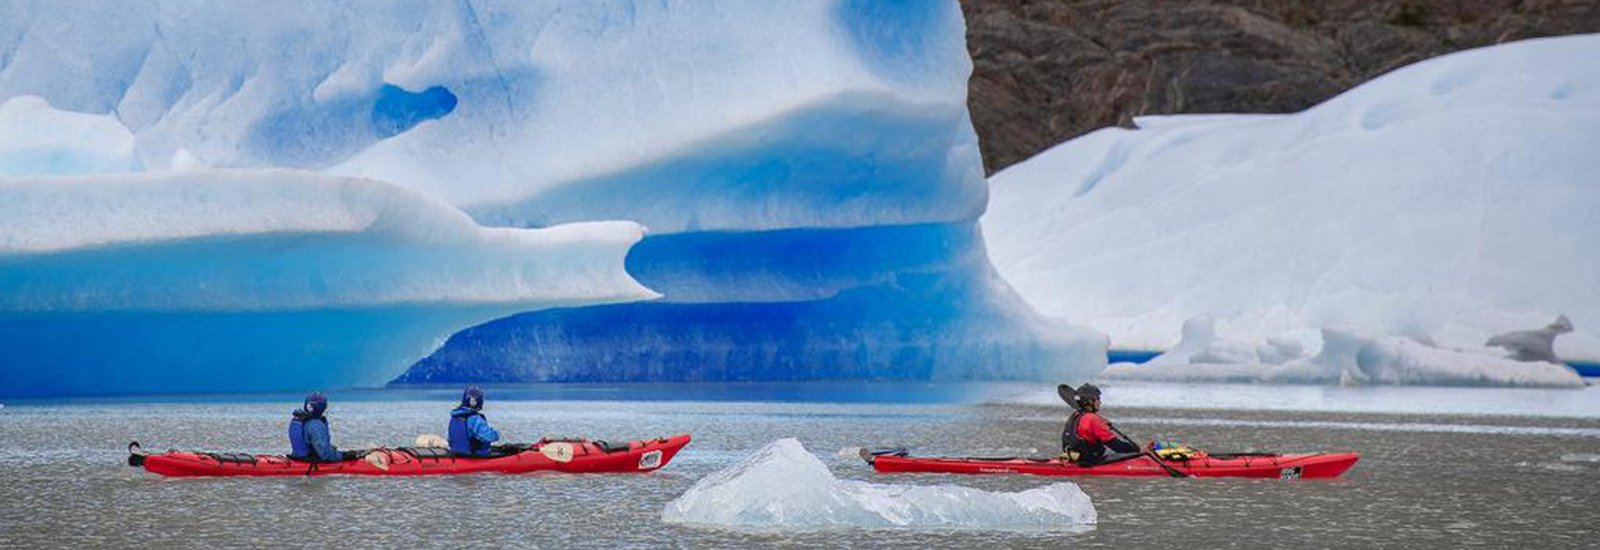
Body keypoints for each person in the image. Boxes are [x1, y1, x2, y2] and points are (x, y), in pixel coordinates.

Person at [1060, 383, 1140, 464]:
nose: (1100, 402)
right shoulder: (1093, 419)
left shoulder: (1075, 415)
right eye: (1098, 398)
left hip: (1074, 457)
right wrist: (1136, 450)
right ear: (1090, 401)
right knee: (1129, 452)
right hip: (1090, 460)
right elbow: (1116, 445)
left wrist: (1102, 425)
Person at [288, 392, 351, 462]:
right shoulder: (315, 425)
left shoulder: (299, 420)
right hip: (312, 462)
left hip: (298, 458)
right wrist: (346, 456)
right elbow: (325, 454)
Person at [448, 386, 502, 457]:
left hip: (457, 454)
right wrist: (497, 433)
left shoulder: (455, 417)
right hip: (473, 455)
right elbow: (489, 436)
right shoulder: (474, 419)